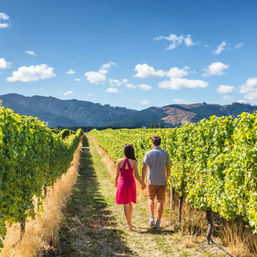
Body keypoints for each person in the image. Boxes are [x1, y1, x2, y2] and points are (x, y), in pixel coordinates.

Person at [142, 135, 171, 230]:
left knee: (150, 199)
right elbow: (168, 168)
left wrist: (142, 180)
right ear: (160, 142)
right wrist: (167, 179)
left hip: (151, 180)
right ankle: (158, 222)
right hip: (162, 180)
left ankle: (151, 217)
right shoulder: (166, 154)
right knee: (160, 201)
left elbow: (144, 167)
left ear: (152, 142)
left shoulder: (148, 153)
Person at [115, 144, 146, 231]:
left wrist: (115, 182)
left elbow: (117, 174)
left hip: (122, 182)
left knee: (125, 204)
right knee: (130, 203)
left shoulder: (119, 161)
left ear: (124, 152)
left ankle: (129, 224)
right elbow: (136, 175)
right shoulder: (134, 162)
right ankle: (130, 222)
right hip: (131, 183)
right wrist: (142, 183)